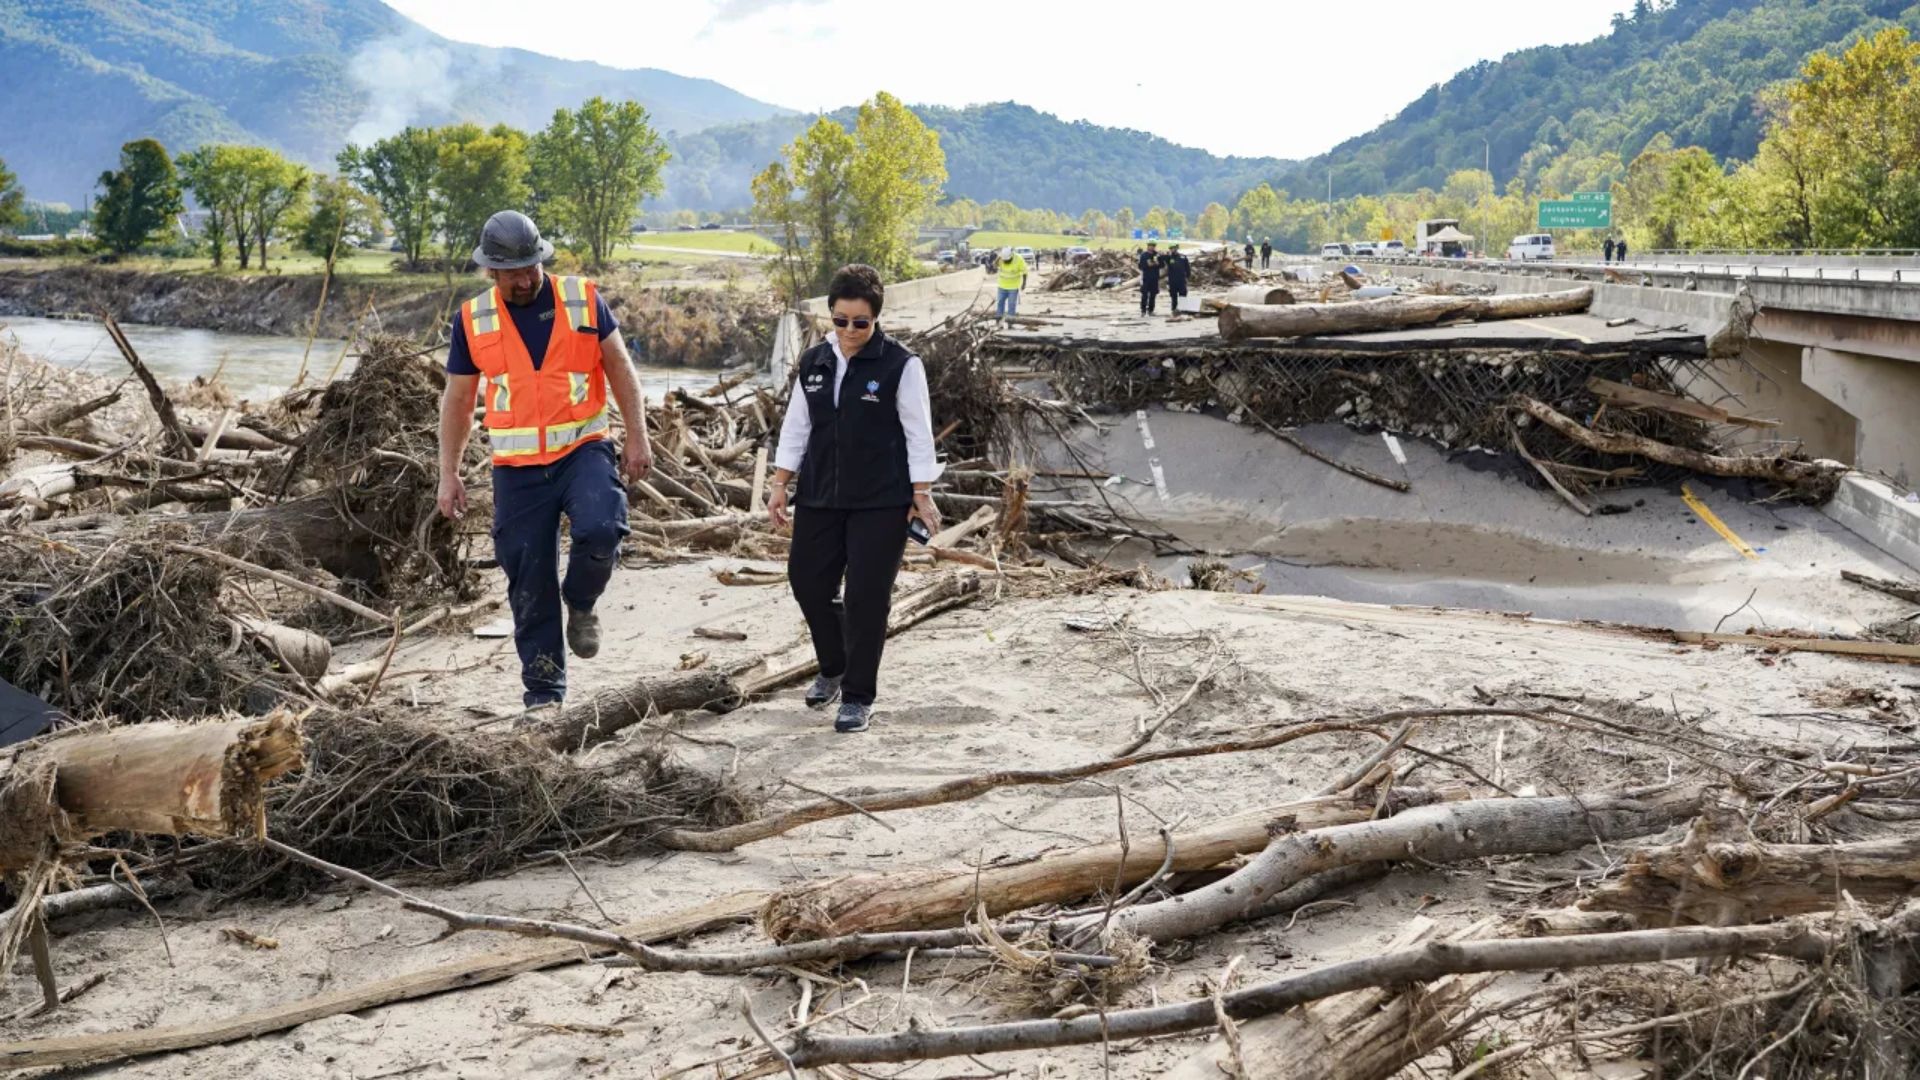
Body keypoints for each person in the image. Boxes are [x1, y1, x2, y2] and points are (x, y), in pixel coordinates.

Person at [436, 210, 653, 712]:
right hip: (517, 469)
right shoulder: (473, 320)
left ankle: (581, 601)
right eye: (512, 273)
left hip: (583, 449)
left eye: (531, 267)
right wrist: (448, 474)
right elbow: (459, 401)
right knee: (528, 579)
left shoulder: (582, 298)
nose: (525, 280)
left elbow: (620, 368)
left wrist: (637, 437)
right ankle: (544, 696)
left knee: (602, 528)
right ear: (490, 271)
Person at [768, 265, 943, 734]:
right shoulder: (814, 362)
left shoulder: (901, 365)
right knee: (806, 581)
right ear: (830, 315)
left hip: (881, 500)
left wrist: (921, 494)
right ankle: (834, 665)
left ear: (876, 319)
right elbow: (797, 427)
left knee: (867, 597)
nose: (849, 330)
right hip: (819, 494)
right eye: (840, 320)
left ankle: (858, 696)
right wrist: (780, 483)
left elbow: (919, 435)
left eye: (860, 322)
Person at [994, 246, 1027, 324]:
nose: (1006, 262)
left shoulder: (1019, 259)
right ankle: (998, 320)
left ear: (1011, 255)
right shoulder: (1001, 258)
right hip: (1002, 286)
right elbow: (994, 266)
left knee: (1011, 304)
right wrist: (998, 258)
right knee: (1000, 303)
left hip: (1013, 286)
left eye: (1008, 260)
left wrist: (1024, 283)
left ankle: (1010, 322)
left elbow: (1024, 272)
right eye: (1005, 260)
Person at [1164, 243, 1191, 318]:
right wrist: (1165, 254)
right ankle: (1174, 310)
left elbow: (1187, 268)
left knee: (1183, 294)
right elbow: (1161, 259)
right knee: (1173, 296)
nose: (1173, 249)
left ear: (1177, 248)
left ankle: (1182, 309)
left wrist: (1188, 276)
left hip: (1181, 279)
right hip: (1172, 280)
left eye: (1174, 248)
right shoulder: (1169, 257)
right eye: (1171, 248)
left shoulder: (1183, 257)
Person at [1137, 239, 1162, 315]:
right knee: (1144, 294)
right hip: (1146, 277)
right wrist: (1152, 264)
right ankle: (1143, 310)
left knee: (1153, 294)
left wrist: (1155, 263)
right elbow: (1141, 266)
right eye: (1150, 245)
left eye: (1153, 245)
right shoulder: (1144, 255)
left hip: (1155, 277)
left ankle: (1151, 310)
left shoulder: (1157, 255)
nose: (1152, 247)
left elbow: (1161, 264)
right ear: (1148, 246)